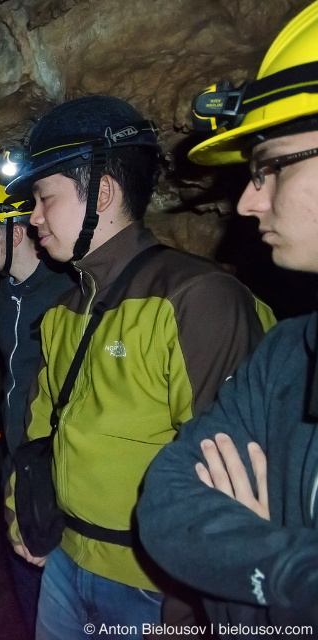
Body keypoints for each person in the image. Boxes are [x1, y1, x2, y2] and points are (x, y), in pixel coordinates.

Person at [1, 95, 276, 639]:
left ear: (102, 193)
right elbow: (40, 431)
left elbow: (235, 478)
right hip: (63, 563)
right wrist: (20, 512)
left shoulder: (197, 300)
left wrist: (191, 613)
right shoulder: (64, 311)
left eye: (43, 198)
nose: (32, 219)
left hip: (152, 589)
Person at [137, 2, 318, 633]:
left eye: (269, 167)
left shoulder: (205, 300)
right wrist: (289, 567)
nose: (247, 200)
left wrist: (253, 562)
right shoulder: (288, 356)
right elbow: (166, 500)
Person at [0, 175, 74, 636]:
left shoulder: (67, 294)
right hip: (16, 463)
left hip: (56, 470)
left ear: (16, 231)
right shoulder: (6, 300)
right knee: (28, 592)